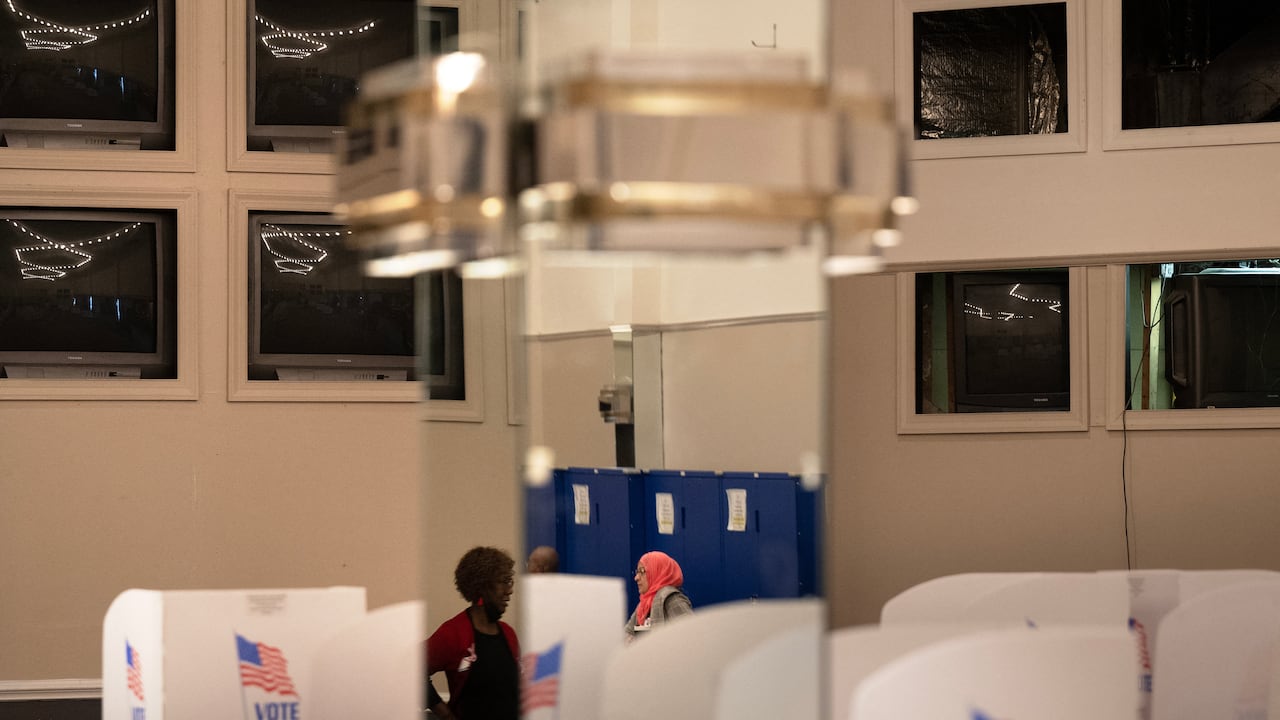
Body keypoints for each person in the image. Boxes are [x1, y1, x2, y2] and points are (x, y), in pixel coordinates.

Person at [425, 546, 520, 720]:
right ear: (483, 586)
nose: (510, 590)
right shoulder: (453, 634)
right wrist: (446, 715)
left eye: (510, 581)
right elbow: (412, 669)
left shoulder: (509, 634)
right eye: (504, 581)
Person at [624, 550, 693, 638]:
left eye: (642, 571)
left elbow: (691, 635)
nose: (636, 578)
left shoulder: (670, 598)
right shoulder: (644, 604)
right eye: (637, 572)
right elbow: (626, 635)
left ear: (658, 571)